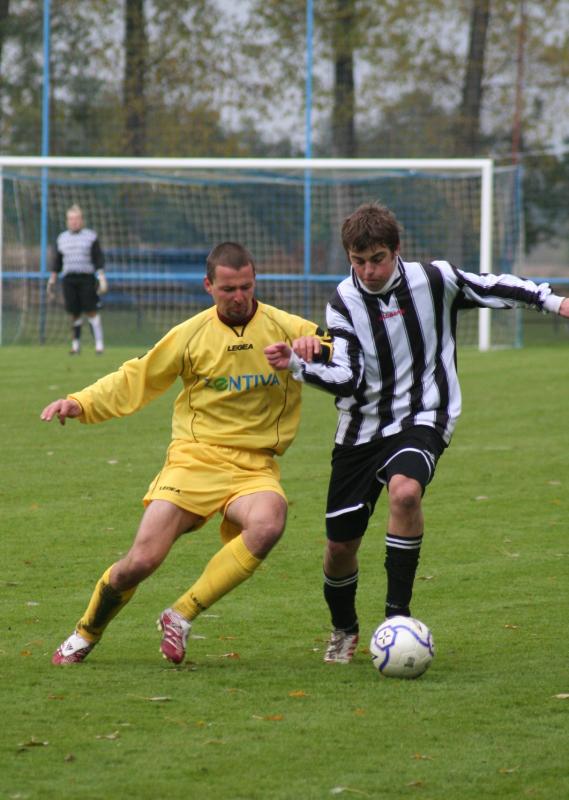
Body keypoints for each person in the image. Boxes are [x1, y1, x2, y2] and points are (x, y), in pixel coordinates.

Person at [264, 201, 569, 664]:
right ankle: (344, 629)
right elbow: (347, 378)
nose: (368, 270)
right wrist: (299, 367)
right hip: (361, 429)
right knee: (339, 547)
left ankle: (396, 620)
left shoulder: (433, 279)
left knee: (406, 494)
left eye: (378, 259)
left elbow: (492, 285)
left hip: (425, 415)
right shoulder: (343, 302)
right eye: (359, 261)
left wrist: (554, 300)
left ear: (397, 251)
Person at [41, 241, 330, 666]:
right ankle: (85, 633)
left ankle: (181, 614)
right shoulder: (191, 334)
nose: (238, 297)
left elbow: (340, 348)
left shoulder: (287, 327)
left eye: (246, 287)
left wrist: (315, 351)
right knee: (140, 561)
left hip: (254, 466)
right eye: (228, 288)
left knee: (269, 522)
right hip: (194, 460)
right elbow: (136, 377)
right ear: (208, 285)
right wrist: (80, 402)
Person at [47, 204, 107, 354]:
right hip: (69, 279)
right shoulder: (62, 238)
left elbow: (97, 258)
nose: (74, 222)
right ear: (67, 221)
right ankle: (76, 345)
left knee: (91, 310)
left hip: (86, 278)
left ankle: (99, 345)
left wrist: (101, 276)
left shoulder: (90, 236)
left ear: (81, 220)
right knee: (74, 312)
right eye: (71, 219)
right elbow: (57, 261)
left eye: (76, 219)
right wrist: (52, 278)